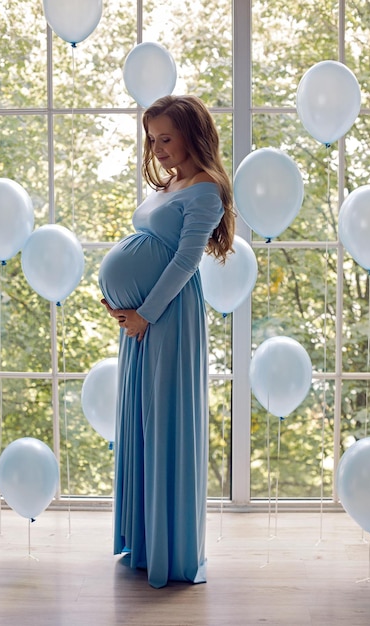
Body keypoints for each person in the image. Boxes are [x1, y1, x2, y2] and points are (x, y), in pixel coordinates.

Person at [99, 94, 235, 588]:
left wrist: (145, 314)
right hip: (142, 320)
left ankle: (170, 550)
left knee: (165, 422)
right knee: (142, 419)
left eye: (166, 138)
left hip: (168, 320)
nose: (157, 149)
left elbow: (184, 262)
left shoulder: (205, 191)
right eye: (152, 139)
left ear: (193, 136)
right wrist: (121, 300)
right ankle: (144, 538)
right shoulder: (174, 183)